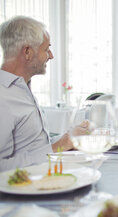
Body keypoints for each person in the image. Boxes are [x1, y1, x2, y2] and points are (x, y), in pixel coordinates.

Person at [0, 16, 87, 172]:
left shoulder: (22, 88)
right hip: (24, 191)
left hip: (46, 178)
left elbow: (34, 147)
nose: (51, 55)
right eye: (46, 49)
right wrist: (56, 147)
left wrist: (66, 138)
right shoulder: (3, 97)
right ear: (27, 52)